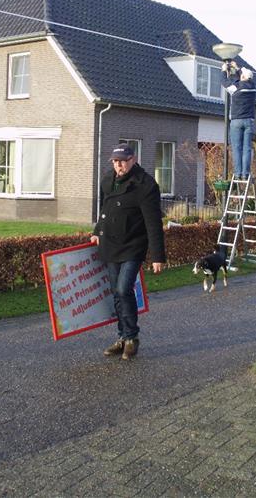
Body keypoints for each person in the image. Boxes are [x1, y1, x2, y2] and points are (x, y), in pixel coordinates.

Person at [91, 144, 165, 360]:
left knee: (124, 289)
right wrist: (97, 231)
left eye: (123, 161)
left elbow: (153, 223)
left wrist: (157, 256)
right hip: (111, 244)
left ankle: (132, 337)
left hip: (133, 245)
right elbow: (105, 210)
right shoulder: (108, 180)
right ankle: (122, 337)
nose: (118, 165)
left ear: (133, 159)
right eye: (115, 161)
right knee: (116, 291)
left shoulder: (145, 185)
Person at [221, 62, 256, 180]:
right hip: (249, 121)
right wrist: (237, 68)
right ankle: (245, 174)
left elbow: (224, 82)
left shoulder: (236, 88)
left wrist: (223, 70)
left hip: (237, 121)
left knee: (237, 148)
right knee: (247, 148)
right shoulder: (253, 87)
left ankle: (237, 173)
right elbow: (240, 78)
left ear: (242, 77)